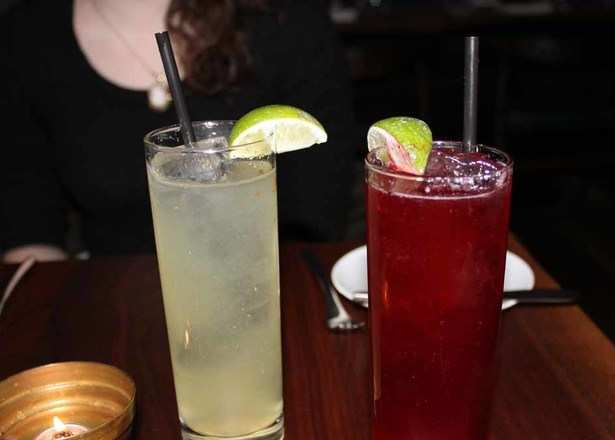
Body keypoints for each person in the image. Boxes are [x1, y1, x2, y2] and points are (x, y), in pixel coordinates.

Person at [0, 0, 356, 263]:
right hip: (107, 304)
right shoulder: (28, 33)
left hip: (264, 294)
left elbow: (318, 211)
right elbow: (26, 221)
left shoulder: (282, 17)